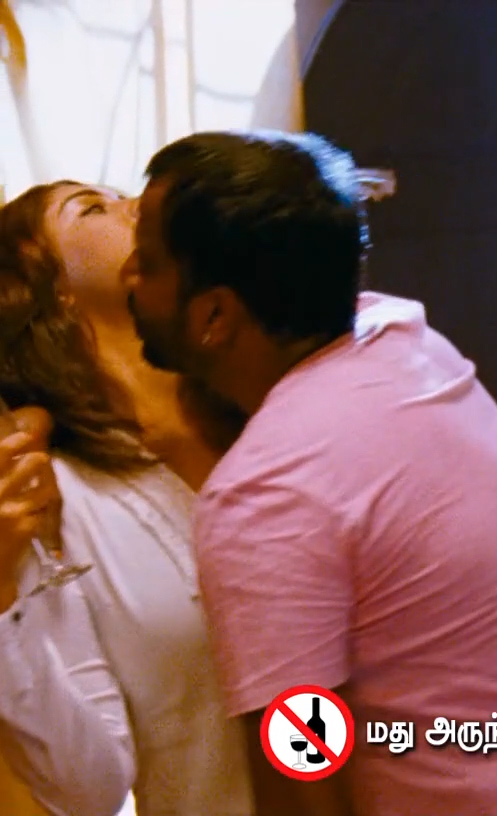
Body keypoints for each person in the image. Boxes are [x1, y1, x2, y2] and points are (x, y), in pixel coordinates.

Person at [119, 129, 497, 816]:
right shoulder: (404, 341)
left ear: (215, 315)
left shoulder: (267, 494)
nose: (127, 275)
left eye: (147, 262)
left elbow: (303, 783)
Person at [0, 180, 259, 815]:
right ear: (49, 286)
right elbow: (89, 791)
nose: (139, 205)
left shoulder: (269, 409)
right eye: (93, 207)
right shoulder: (54, 499)